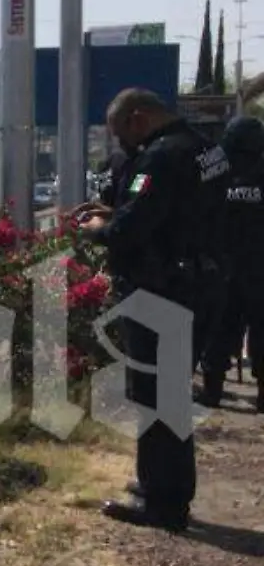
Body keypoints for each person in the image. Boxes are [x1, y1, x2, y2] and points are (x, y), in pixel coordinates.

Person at [74, 88, 220, 531]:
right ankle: (160, 484)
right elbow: (179, 213)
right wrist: (121, 210)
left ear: (139, 118)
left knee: (159, 396)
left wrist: (102, 226)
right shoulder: (206, 149)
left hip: (164, 289)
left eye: (121, 133)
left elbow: (131, 231)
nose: (123, 144)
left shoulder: (160, 157)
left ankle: (164, 503)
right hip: (202, 280)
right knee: (170, 393)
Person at [201, 116, 264, 411]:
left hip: (222, 267)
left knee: (219, 328)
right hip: (258, 269)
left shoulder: (215, 173)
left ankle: (212, 389)